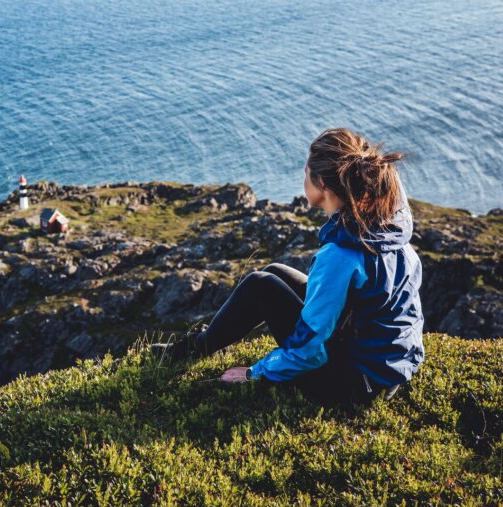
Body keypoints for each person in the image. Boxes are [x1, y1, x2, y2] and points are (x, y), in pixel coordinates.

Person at [150, 127, 425, 407]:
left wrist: (254, 373)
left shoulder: (342, 256)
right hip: (390, 373)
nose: (302, 177)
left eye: (306, 172)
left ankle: (190, 351)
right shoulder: (388, 230)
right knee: (275, 272)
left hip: (355, 387)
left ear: (323, 186)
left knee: (260, 286)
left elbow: (310, 351)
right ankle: (197, 346)